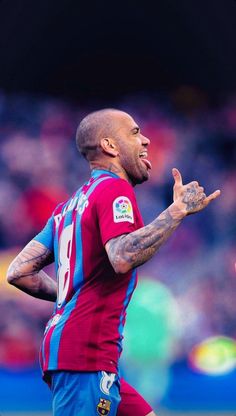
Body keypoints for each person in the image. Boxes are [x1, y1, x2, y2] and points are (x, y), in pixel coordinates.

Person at [7, 108, 220, 416]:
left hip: (83, 353)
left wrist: (71, 296)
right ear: (109, 146)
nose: (146, 140)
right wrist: (176, 212)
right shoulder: (113, 189)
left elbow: (20, 271)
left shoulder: (67, 208)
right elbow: (121, 256)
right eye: (134, 133)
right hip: (85, 354)